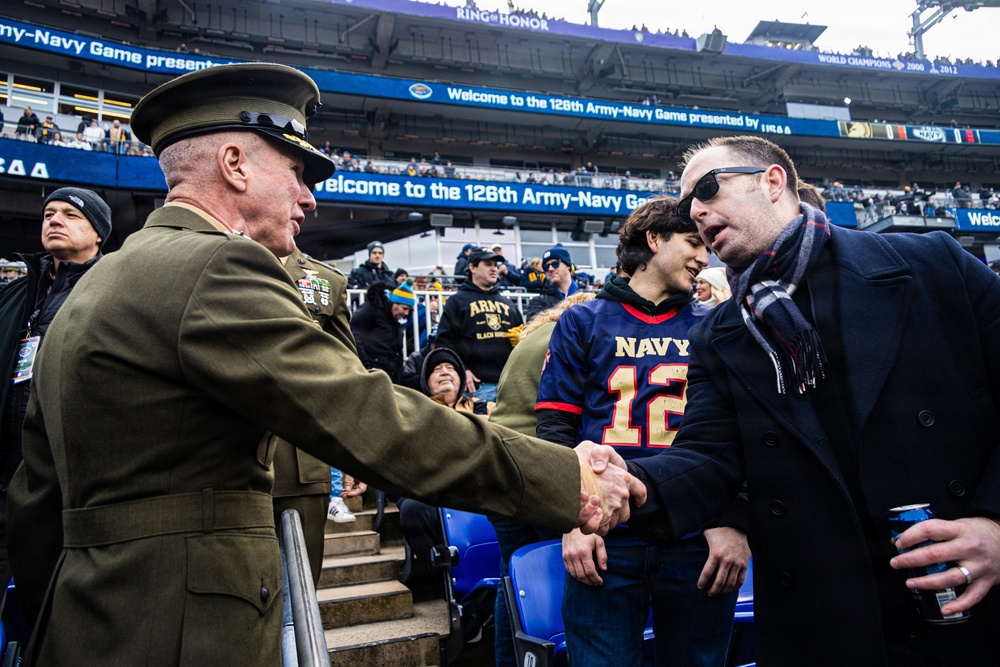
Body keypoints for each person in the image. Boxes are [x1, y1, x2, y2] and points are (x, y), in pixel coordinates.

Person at [6, 63, 641, 666]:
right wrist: (565, 478)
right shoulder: (218, 266)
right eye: (296, 171)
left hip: (85, 619)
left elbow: (34, 500)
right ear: (234, 164)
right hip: (186, 631)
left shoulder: (98, 281)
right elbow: (372, 416)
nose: (309, 199)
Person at [628, 135, 1000, 666]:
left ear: (773, 182)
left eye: (708, 188)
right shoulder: (717, 334)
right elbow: (710, 459)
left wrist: (995, 525)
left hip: (969, 604)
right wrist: (626, 481)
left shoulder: (933, 266)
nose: (697, 212)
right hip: (824, 622)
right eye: (688, 205)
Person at [536, 197, 748, 667]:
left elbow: (740, 433)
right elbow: (555, 430)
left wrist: (733, 519)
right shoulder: (581, 320)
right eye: (693, 242)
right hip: (606, 536)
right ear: (653, 239)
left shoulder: (716, 324)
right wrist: (571, 520)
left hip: (697, 534)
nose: (704, 257)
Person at [0, 188, 110, 602]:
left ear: (98, 233)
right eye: (48, 214)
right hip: (4, 475)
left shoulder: (111, 291)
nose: (54, 220)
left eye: (70, 214)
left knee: (53, 604)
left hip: (64, 485)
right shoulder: (18, 292)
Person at [489, 292, 594, 667]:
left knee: (513, 579)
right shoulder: (569, 335)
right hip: (538, 466)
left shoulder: (531, 338)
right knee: (568, 572)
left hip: (498, 469)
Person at [272, 246, 361, 585]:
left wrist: (353, 451)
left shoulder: (326, 279)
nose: (299, 219)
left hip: (301, 462)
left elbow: (344, 373)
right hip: (223, 462)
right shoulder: (214, 261)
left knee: (301, 589)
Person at [436, 246, 523, 402]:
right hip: (476, 388)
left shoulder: (508, 303)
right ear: (472, 268)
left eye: (495, 265)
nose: (494, 269)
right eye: (488, 264)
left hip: (509, 387)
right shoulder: (457, 302)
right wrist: (462, 369)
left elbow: (523, 342)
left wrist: (522, 338)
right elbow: (444, 343)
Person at [350, 280, 415, 383]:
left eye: (409, 310)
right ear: (395, 303)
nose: (406, 313)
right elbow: (355, 336)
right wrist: (366, 365)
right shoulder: (372, 308)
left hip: (389, 373)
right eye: (404, 308)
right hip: (371, 371)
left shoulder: (397, 319)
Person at [524, 244, 579, 322]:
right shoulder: (538, 302)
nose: (550, 269)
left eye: (555, 264)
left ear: (568, 265)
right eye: (546, 267)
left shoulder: (588, 298)